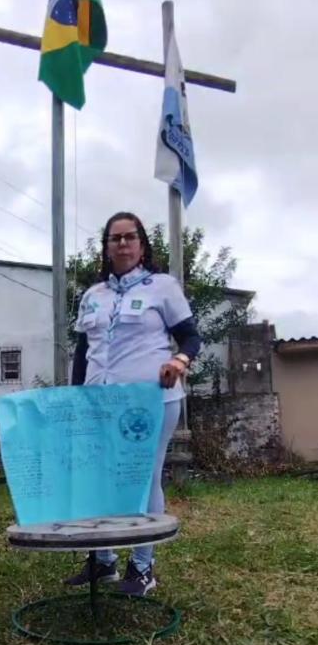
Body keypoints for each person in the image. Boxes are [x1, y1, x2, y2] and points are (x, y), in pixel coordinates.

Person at [66, 211, 201, 597]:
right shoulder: (93, 295)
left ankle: (142, 567)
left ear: (142, 245)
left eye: (130, 237)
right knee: (98, 477)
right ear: (106, 247)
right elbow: (82, 351)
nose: (122, 243)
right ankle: (102, 559)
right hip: (99, 402)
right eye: (115, 238)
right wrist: (76, 395)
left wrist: (180, 361)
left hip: (150, 401)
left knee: (143, 477)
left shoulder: (163, 287)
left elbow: (191, 337)